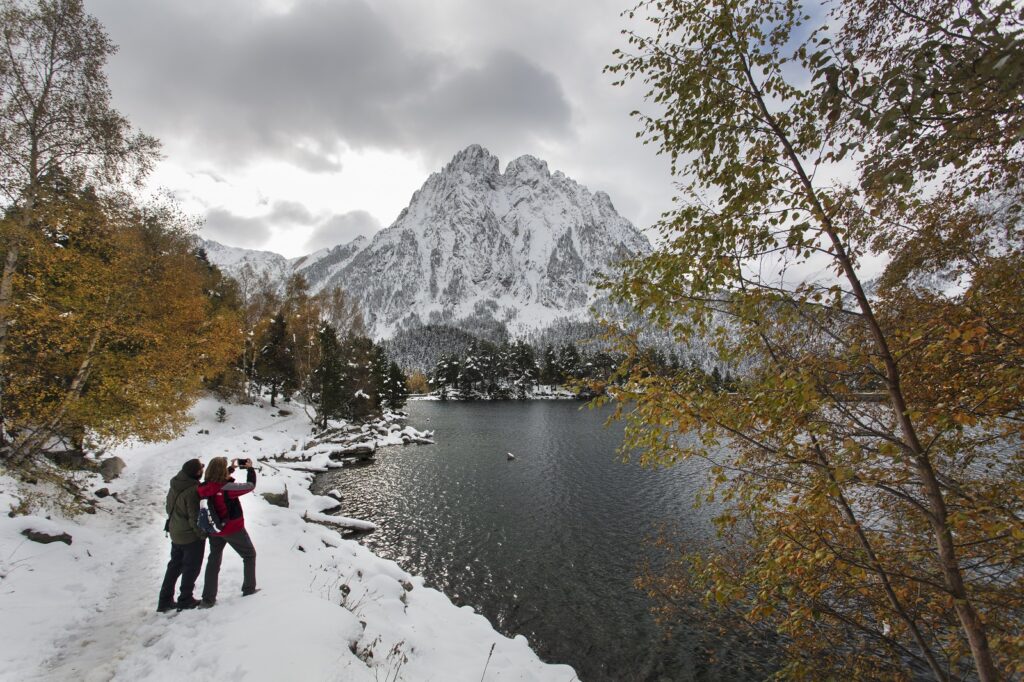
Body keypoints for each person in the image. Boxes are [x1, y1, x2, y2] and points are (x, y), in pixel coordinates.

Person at [198, 456, 258, 607]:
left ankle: (208, 599)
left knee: (214, 561)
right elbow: (250, 486)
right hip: (232, 529)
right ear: (220, 472)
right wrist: (250, 469)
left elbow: (216, 481)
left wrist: (230, 469)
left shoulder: (204, 487)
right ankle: (249, 589)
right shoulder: (226, 489)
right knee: (249, 555)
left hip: (214, 529)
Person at [158, 458, 207, 612]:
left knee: (174, 567)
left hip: (175, 532)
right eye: (201, 468)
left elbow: (168, 507)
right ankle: (185, 599)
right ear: (197, 473)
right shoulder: (192, 490)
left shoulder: (176, 483)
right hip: (189, 536)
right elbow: (194, 517)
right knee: (191, 568)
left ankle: (164, 600)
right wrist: (201, 534)